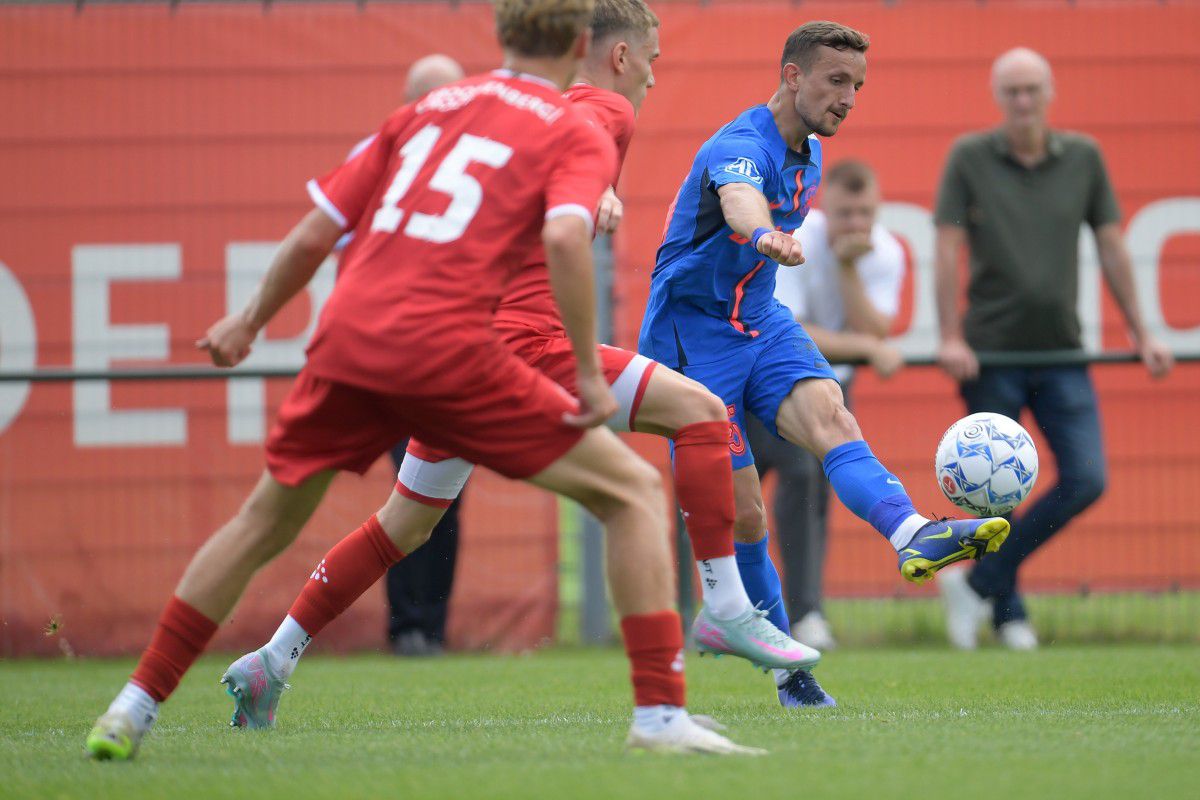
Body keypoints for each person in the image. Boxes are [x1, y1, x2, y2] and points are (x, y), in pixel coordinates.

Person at [86, 0, 760, 759]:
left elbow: (315, 233)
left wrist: (248, 321)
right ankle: (661, 715)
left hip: (348, 335)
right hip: (448, 348)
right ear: (582, 44)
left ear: (500, 36)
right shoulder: (573, 122)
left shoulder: (426, 110)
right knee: (631, 493)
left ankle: (133, 706)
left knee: (262, 524)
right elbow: (564, 240)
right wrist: (583, 369)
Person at [639, 20, 1011, 708]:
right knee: (746, 515)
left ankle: (914, 534)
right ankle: (790, 674)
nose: (849, 98)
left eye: (857, 85)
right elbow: (739, 199)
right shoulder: (740, 144)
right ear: (791, 76)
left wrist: (766, 249)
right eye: (836, 81)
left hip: (760, 320)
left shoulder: (808, 152)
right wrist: (763, 232)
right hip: (691, 337)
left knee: (833, 418)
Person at [933, 47, 1174, 651]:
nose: (1022, 101)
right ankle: (1009, 615)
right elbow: (944, 249)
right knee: (996, 494)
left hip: (1064, 352)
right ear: (998, 97)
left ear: (1050, 92)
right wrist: (950, 336)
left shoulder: (1084, 157)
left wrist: (1142, 331)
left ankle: (977, 584)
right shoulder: (969, 156)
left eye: (1031, 89)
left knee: (1087, 478)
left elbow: (1113, 246)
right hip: (990, 354)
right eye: (1012, 90)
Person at [747, 159, 905, 651]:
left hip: (830, 385)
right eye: (845, 214)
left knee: (815, 494)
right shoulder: (798, 240)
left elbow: (875, 328)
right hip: (768, 378)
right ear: (824, 208)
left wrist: (848, 266)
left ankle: (805, 612)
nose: (856, 224)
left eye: (865, 214)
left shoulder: (885, 252)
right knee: (742, 492)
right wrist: (866, 348)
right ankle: (724, 607)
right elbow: (788, 329)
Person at [382, 55, 467, 659]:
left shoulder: (478, 162)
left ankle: (432, 627)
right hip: (400, 356)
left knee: (447, 493)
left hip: (459, 355)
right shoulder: (385, 162)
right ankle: (405, 624)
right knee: (407, 492)